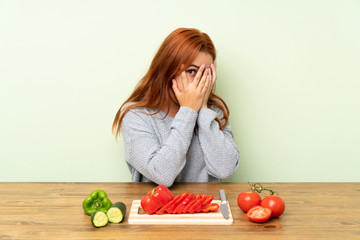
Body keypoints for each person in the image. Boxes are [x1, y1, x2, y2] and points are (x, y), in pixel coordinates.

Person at [112, 28, 239, 187]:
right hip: (156, 209)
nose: (201, 82)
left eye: (207, 74)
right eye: (192, 71)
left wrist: (204, 110)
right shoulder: (136, 116)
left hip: (205, 208)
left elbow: (225, 169)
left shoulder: (213, 113)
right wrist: (188, 111)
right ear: (168, 71)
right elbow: (163, 175)